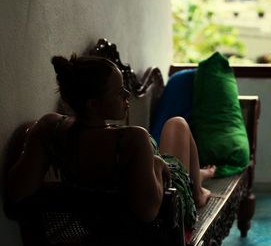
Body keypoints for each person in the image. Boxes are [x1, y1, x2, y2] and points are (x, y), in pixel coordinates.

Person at [7, 54, 216, 229]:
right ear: (93, 104)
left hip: (96, 224)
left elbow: (17, 192)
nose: (127, 94)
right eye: (119, 92)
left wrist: (40, 147)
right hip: (164, 213)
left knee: (174, 134)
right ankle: (196, 192)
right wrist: (156, 166)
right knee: (177, 124)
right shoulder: (133, 139)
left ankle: (198, 178)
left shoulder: (50, 128)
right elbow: (149, 212)